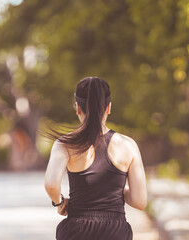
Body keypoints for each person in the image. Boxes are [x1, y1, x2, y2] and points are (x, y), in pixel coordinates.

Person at [43, 77, 147, 240]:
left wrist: (59, 203)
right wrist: (115, 188)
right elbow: (140, 201)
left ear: (77, 108)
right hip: (115, 232)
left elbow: (51, 184)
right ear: (108, 108)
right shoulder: (128, 145)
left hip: (77, 230)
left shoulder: (65, 144)